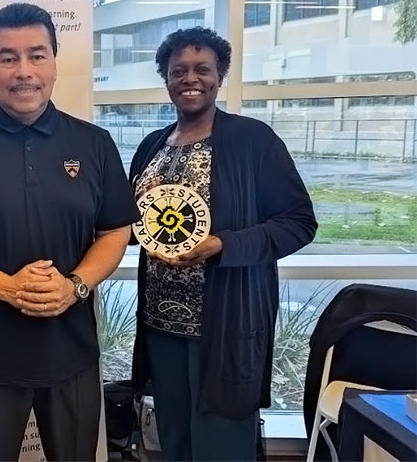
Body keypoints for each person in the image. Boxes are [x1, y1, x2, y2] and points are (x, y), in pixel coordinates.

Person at [0, 3, 139, 461]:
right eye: (8, 57)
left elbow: (115, 230)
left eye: (37, 55)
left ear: (55, 63)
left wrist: (74, 286)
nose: (23, 71)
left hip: (71, 354)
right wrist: (2, 285)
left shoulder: (94, 144)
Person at [128, 27, 318, 461]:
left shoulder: (253, 141)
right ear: (167, 79)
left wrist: (223, 244)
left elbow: (298, 223)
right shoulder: (151, 147)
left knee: (223, 444)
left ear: (220, 75)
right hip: (162, 324)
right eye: (178, 71)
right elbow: (136, 216)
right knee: (173, 439)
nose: (190, 78)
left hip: (225, 325)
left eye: (202, 69)